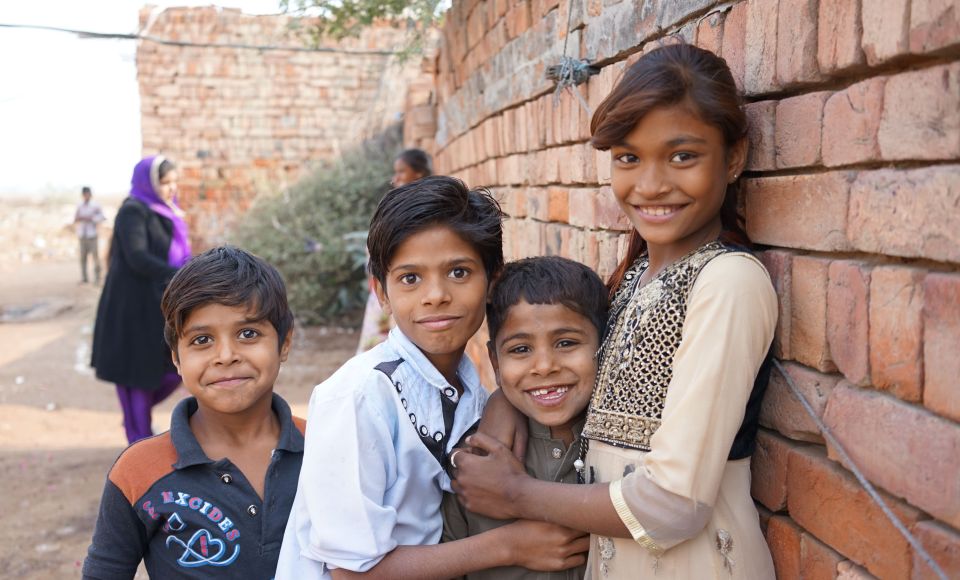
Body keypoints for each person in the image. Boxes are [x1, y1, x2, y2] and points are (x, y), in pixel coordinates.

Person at [451, 43, 779, 579]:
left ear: (735, 158)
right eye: (629, 158)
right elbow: (569, 371)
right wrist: (507, 403)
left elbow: (671, 505)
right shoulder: (634, 278)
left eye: (682, 156)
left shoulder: (728, 282)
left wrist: (516, 494)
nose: (650, 185)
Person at [277, 176, 588, 579]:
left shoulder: (469, 391)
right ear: (382, 293)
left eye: (459, 272)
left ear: (492, 280)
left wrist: (501, 401)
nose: (435, 295)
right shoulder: (359, 397)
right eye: (410, 278)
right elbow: (351, 573)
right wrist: (509, 545)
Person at [83, 246, 302, 579]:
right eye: (202, 340)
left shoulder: (326, 446)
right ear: (176, 357)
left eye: (248, 334)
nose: (225, 356)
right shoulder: (139, 471)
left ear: (284, 343)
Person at [441, 256, 608, 580]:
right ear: (495, 361)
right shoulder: (475, 462)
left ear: (604, 346)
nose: (544, 366)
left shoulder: (621, 446)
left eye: (566, 343)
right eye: (520, 349)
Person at [91, 155, 191, 444]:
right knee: (135, 374)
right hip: (131, 307)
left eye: (174, 182)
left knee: (171, 370)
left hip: (157, 303)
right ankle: (139, 441)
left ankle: (139, 429)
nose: (171, 188)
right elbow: (138, 258)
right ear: (148, 182)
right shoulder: (133, 211)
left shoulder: (168, 211)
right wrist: (180, 273)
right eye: (164, 182)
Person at [357, 148, 433, 353]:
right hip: (383, 287)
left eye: (401, 172)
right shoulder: (398, 204)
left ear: (418, 173)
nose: (395, 178)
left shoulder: (425, 208)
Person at [74, 185, 105, 284]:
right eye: (84, 194)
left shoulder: (95, 206)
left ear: (90, 195)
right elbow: (75, 218)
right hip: (82, 234)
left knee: (95, 257)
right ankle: (84, 278)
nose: (86, 196)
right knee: (83, 257)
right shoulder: (79, 205)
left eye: (87, 194)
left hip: (92, 234)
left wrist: (92, 219)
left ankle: (97, 278)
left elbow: (102, 217)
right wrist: (80, 218)